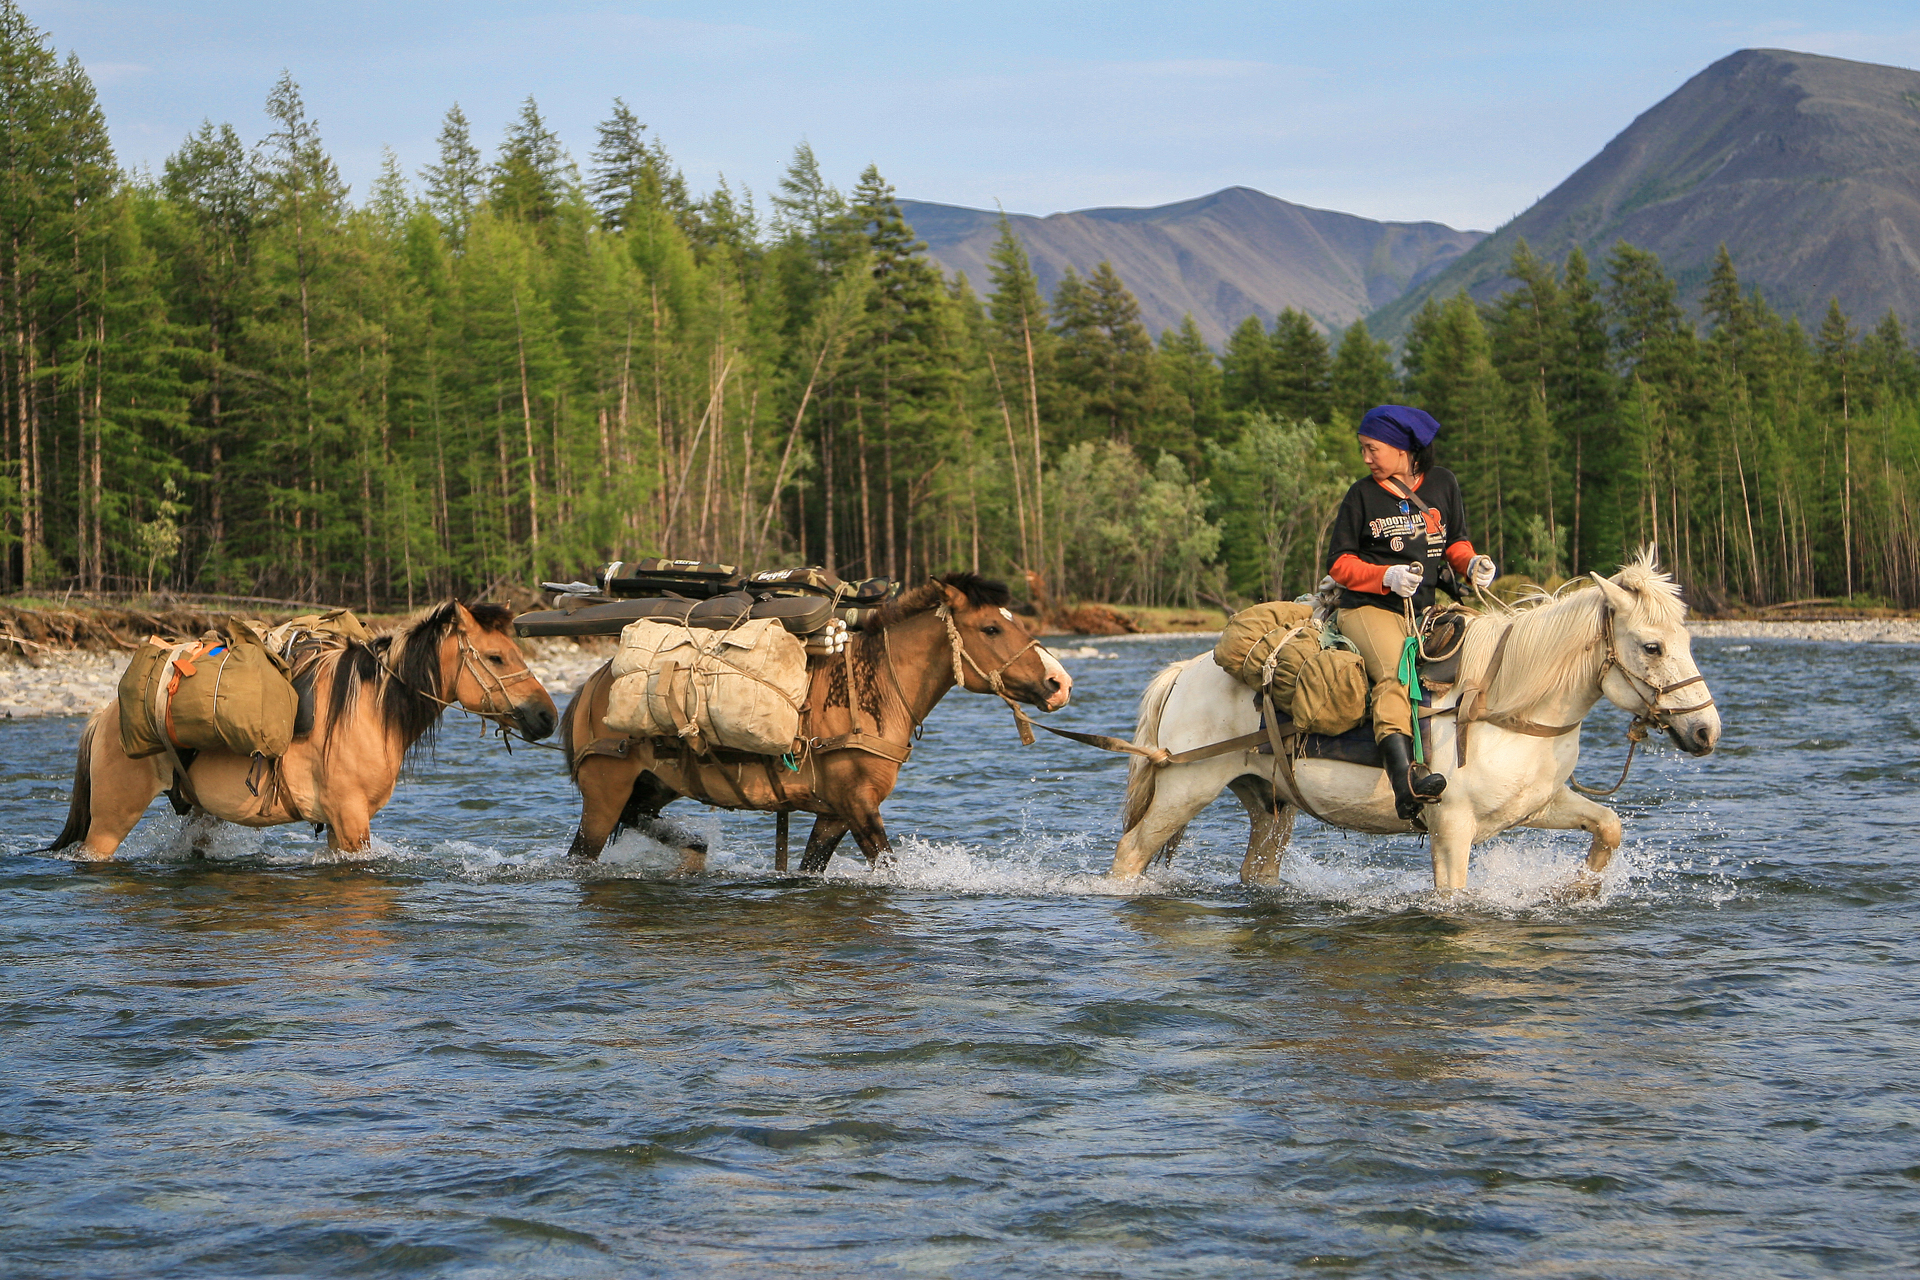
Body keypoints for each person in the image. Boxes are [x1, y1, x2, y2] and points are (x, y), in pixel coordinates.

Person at [1323, 405, 1496, 819]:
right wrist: (1386, 576)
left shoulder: (1443, 483)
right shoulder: (1361, 494)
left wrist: (1471, 564)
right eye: (1363, 449)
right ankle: (1406, 785)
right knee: (1393, 674)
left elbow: (1454, 541)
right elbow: (1339, 562)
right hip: (1368, 607)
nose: (1366, 458)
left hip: (1426, 610)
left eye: (1372, 449)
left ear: (1405, 450)